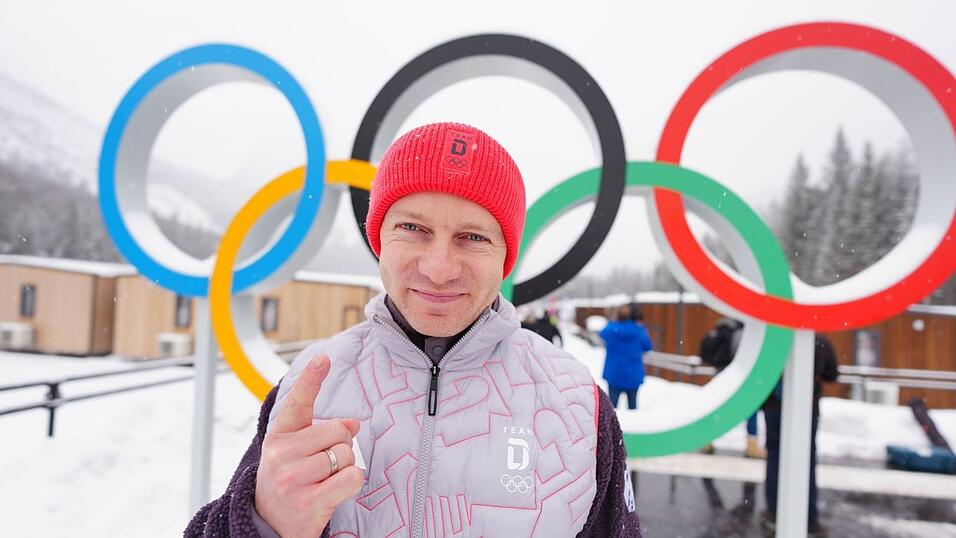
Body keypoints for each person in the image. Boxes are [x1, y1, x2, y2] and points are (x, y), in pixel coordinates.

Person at [185, 122, 641, 537]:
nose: (439, 269)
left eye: (473, 237)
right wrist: (262, 522)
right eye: (413, 229)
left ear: (506, 256)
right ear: (379, 240)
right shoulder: (309, 388)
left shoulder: (579, 403)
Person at [762, 334, 839, 535]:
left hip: (774, 408)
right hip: (807, 409)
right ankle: (809, 514)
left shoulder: (775, 338)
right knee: (807, 461)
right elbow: (832, 374)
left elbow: (762, 372)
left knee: (774, 457)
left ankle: (774, 509)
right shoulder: (818, 341)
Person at [699, 317, 766, 458]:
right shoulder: (742, 332)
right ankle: (751, 444)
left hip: (720, 373)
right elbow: (742, 356)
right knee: (750, 408)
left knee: (717, 407)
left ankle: (707, 439)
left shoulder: (721, 327)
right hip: (737, 375)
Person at [599, 303, 653, 410]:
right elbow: (648, 347)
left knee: (612, 409)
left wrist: (613, 321)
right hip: (633, 375)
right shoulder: (640, 331)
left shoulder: (611, 329)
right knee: (632, 406)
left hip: (615, 374)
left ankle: (612, 426)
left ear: (617, 316)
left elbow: (602, 334)